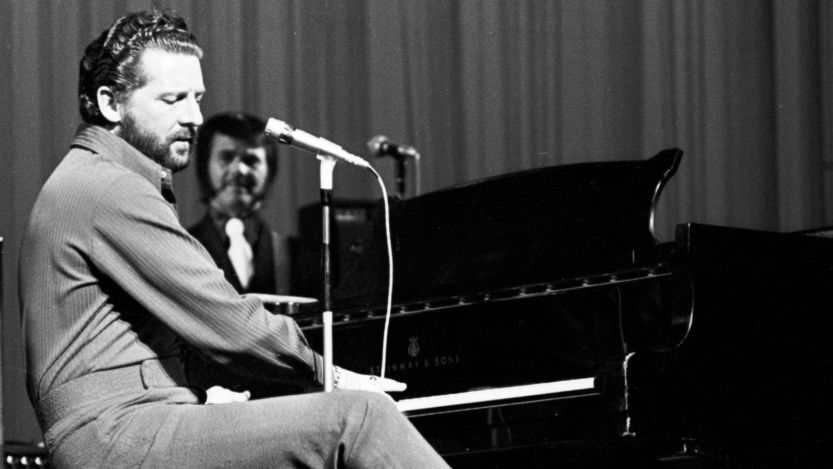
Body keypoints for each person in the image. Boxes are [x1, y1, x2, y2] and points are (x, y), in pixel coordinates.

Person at [18, 9, 450, 469]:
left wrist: (197, 397)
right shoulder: (107, 187)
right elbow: (227, 320)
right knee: (361, 418)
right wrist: (331, 375)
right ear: (110, 104)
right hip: (114, 435)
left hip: (123, 423)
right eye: (173, 99)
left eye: (197, 97)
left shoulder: (95, 179)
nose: (195, 117)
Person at [188, 112, 292, 295]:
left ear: (270, 171)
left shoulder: (297, 257)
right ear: (204, 167)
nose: (239, 169)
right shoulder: (181, 248)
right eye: (227, 157)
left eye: (251, 160)